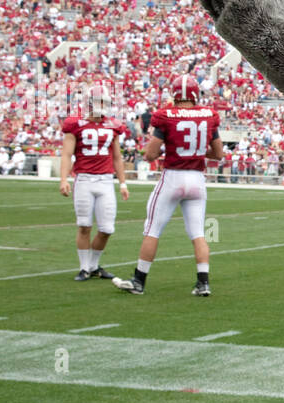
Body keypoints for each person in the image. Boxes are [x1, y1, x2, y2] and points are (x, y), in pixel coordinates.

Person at [114, 74, 222, 297]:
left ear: (174, 94)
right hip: (197, 179)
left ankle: (139, 280)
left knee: (152, 229)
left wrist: (170, 149)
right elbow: (218, 154)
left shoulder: (166, 115)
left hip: (173, 177)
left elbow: (150, 154)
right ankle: (203, 283)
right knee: (198, 233)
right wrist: (197, 152)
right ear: (195, 95)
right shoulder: (209, 115)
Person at [60, 83, 129, 281]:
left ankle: (93, 265)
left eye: (104, 102)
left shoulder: (112, 125)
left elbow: (117, 157)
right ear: (89, 103)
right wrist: (63, 179)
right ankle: (85, 267)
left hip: (106, 181)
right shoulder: (75, 123)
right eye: (99, 101)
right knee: (84, 226)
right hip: (84, 180)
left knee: (107, 229)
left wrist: (123, 183)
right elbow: (66, 154)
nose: (102, 105)